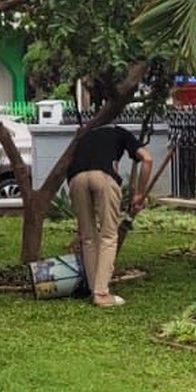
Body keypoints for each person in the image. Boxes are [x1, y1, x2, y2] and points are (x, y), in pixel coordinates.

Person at [66, 123, 152, 308]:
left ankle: (93, 289)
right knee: (109, 236)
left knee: (88, 237)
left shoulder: (86, 135)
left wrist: (79, 229)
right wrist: (140, 194)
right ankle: (102, 294)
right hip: (103, 176)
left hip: (75, 178)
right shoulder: (120, 132)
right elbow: (147, 159)